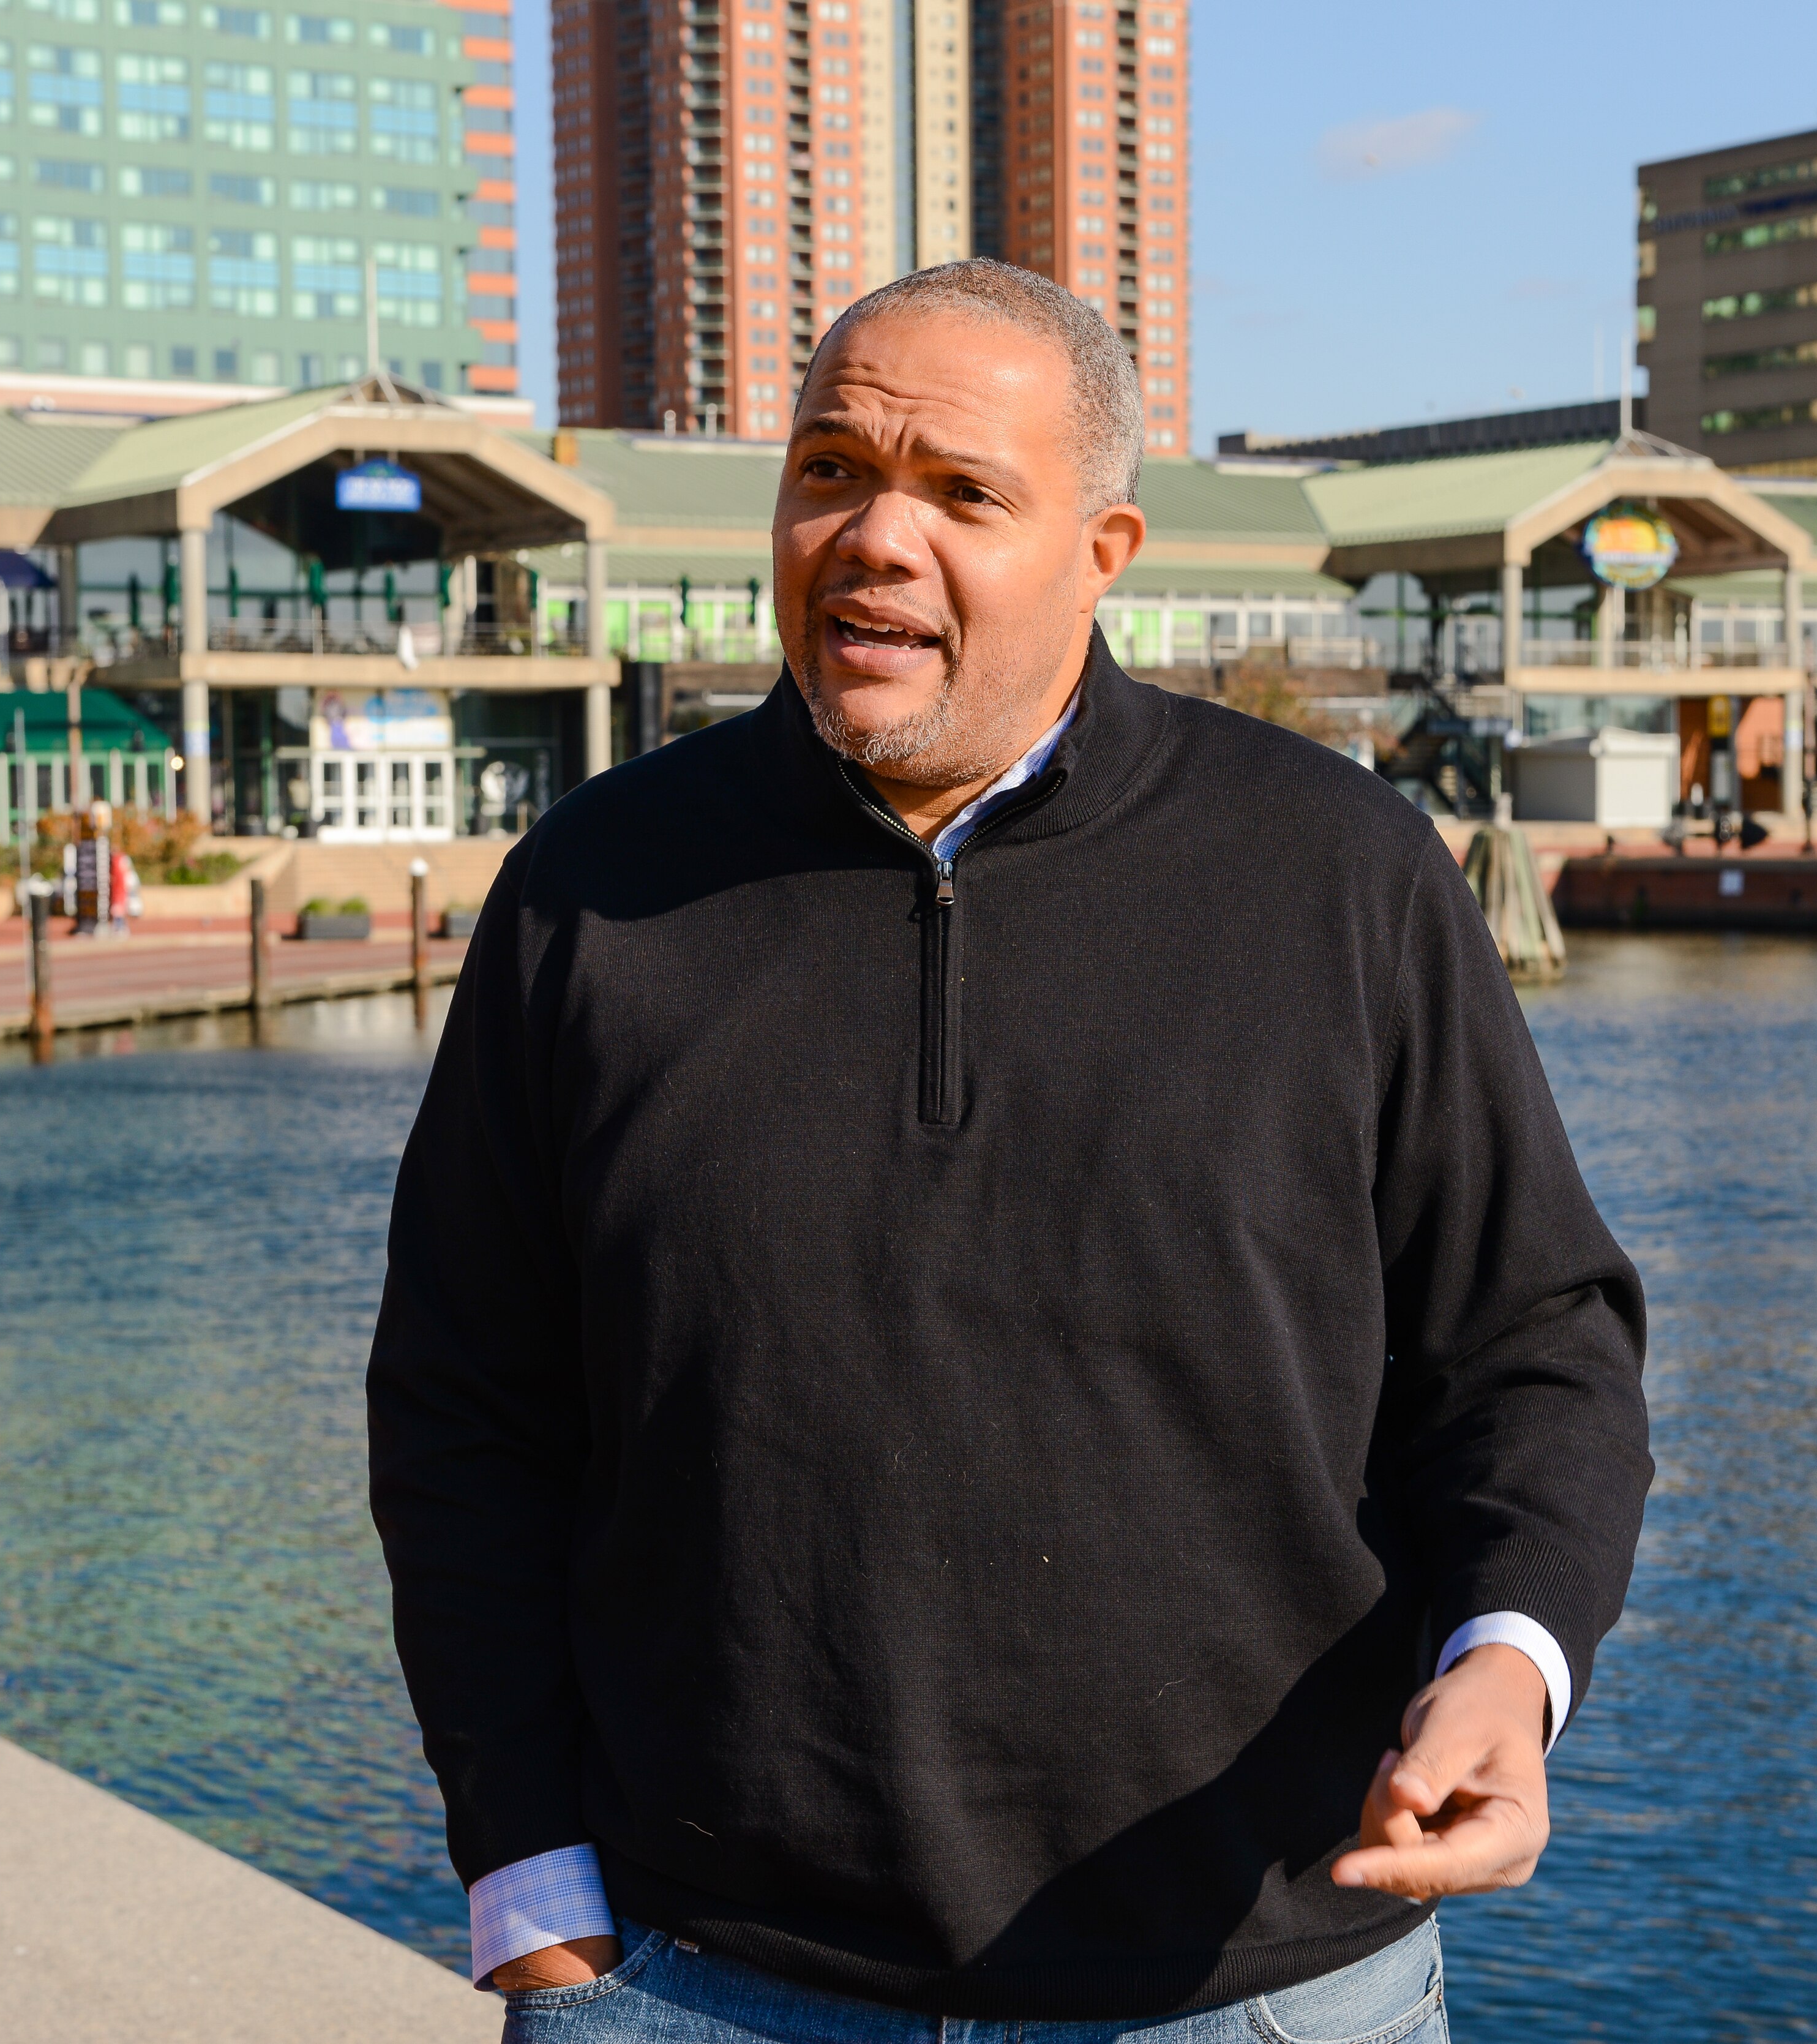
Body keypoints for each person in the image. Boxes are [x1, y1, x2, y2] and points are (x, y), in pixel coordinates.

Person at [370, 259, 1650, 2043]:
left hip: (1253, 1987)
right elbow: (461, 1410)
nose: (876, 536)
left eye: (965, 493)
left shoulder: (1342, 879)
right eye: (832, 470)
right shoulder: (588, 895)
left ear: (1104, 550)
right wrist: (527, 1881)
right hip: (695, 1982)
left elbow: (1536, 1348)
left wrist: (1508, 1667)